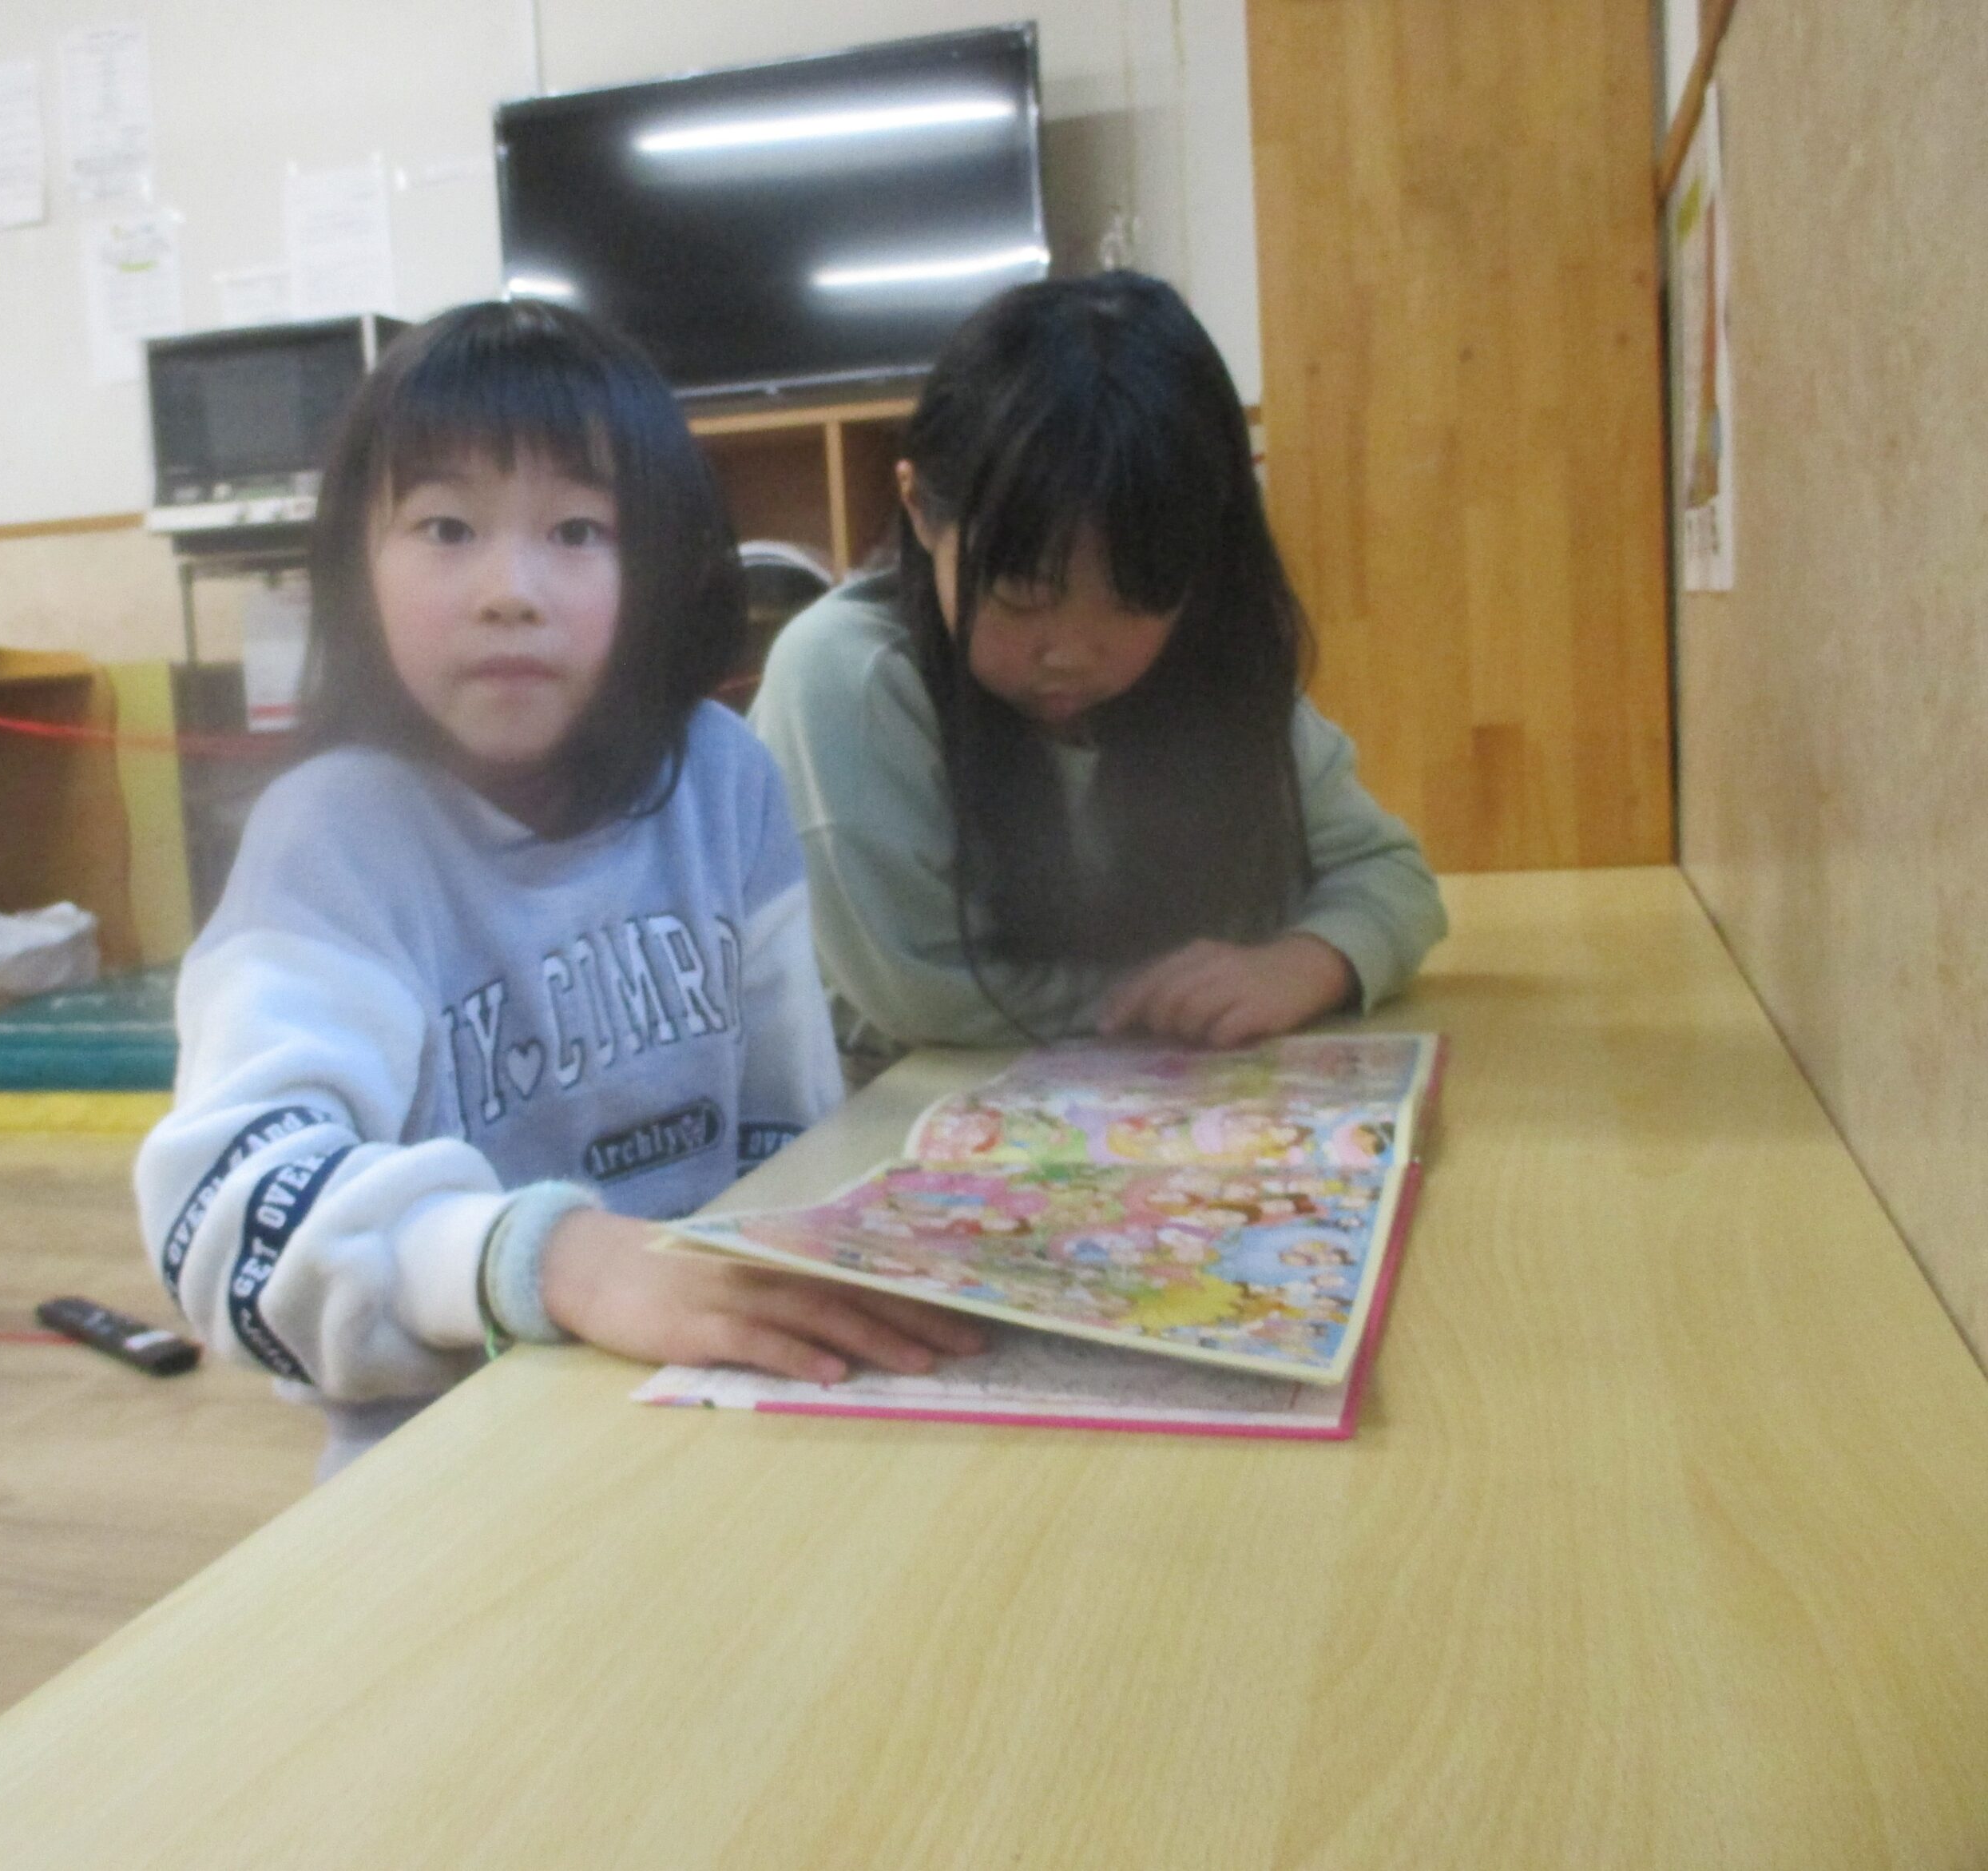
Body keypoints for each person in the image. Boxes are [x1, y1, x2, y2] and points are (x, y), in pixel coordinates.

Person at [134, 301, 978, 1476]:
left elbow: (788, 1134)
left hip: (721, 1415)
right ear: (356, 568)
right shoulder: (330, 840)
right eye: (446, 526)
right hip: (449, 1469)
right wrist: (555, 1258)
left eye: (578, 529)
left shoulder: (722, 778)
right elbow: (227, 1219)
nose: (510, 590)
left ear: (661, 565)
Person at [749, 272, 1447, 1075]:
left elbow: (1393, 876)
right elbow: (928, 995)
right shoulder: (847, 675)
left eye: (1135, 600)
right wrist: (1185, 994)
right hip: (895, 1105)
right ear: (919, 509)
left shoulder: (1206, 661)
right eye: (1021, 595)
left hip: (1142, 1098)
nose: (1073, 652)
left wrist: (1307, 961)